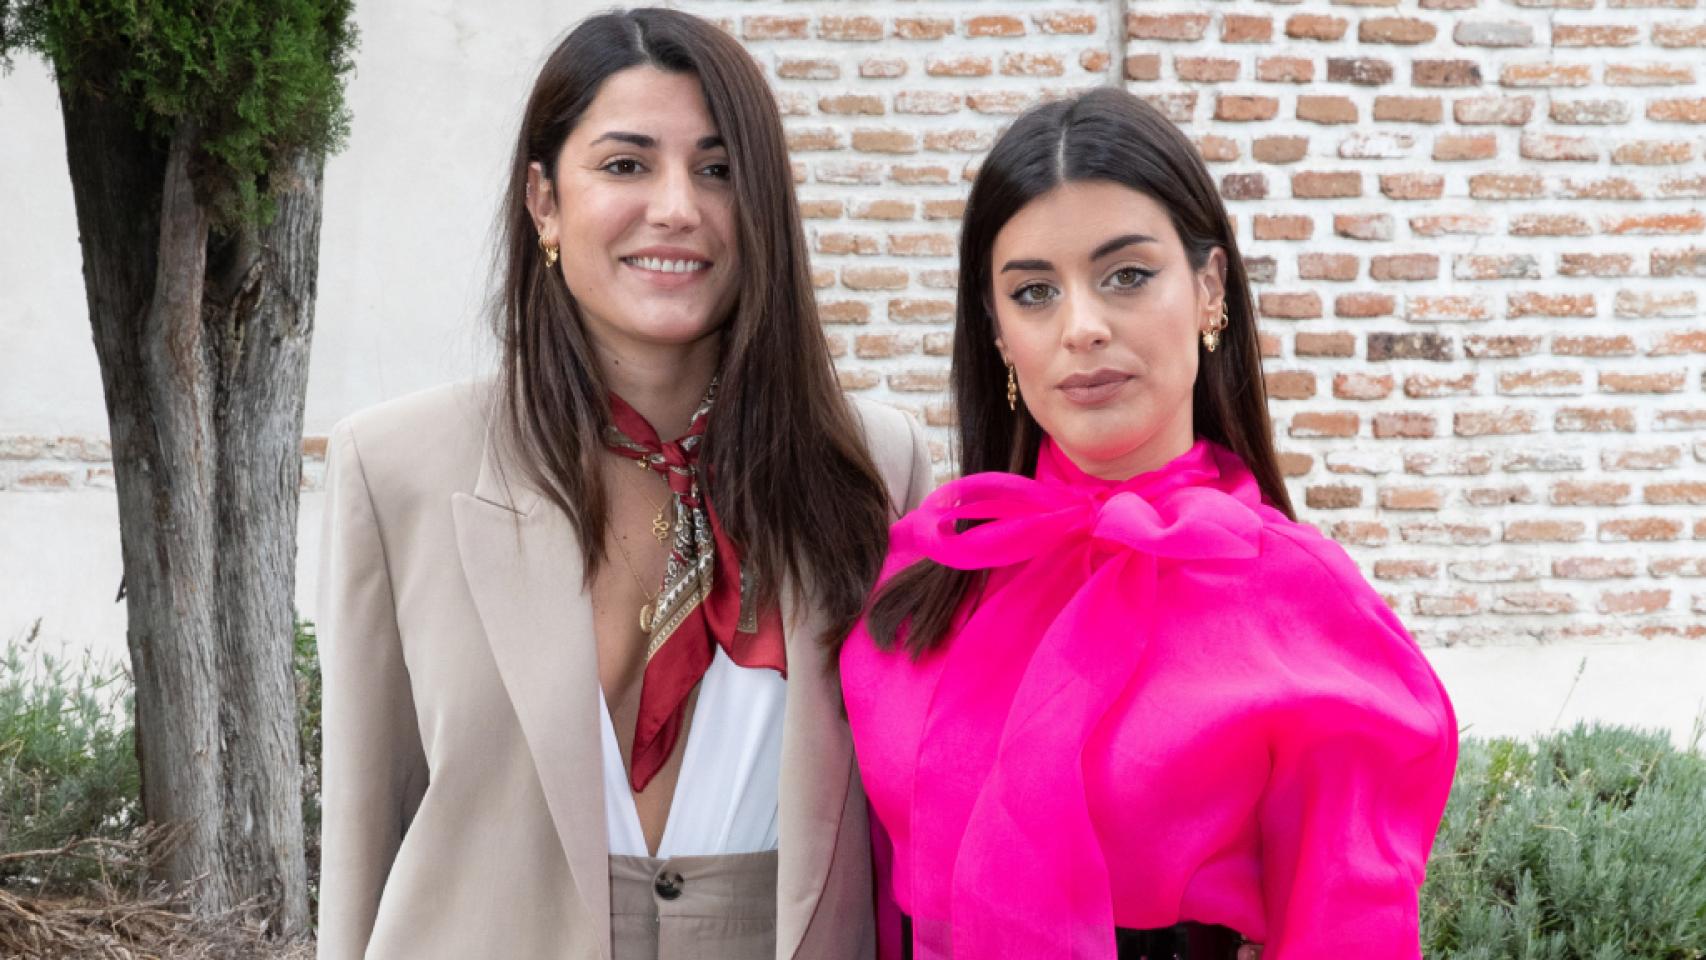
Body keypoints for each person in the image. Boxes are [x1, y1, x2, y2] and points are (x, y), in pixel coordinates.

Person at [315, 9, 931, 959]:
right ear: (544, 201)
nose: (678, 207)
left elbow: (908, 839)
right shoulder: (394, 469)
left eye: (718, 169)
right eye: (625, 164)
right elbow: (363, 836)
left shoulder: (874, 470)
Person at [841, 87, 1457, 960]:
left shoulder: (1307, 608)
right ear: (996, 333)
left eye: (1127, 275)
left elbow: (1348, 926)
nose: (1082, 327)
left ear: (1209, 291)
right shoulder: (927, 568)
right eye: (1034, 292)